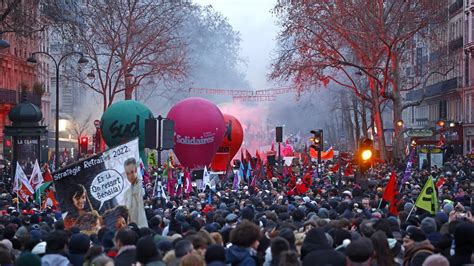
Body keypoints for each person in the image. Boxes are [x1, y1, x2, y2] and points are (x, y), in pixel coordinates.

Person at [123, 158, 148, 228]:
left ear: (136, 170)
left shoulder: (142, 187)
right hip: (131, 226)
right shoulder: (126, 193)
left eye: (132, 172)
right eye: (127, 173)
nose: (130, 176)